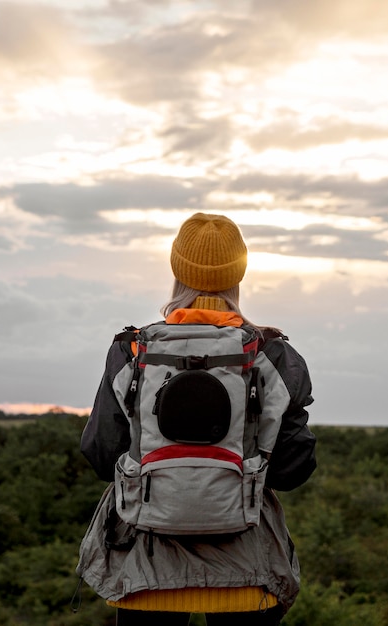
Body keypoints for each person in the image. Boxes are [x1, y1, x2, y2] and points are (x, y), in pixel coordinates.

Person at [77, 212, 317, 625]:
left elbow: (100, 454)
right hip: (247, 574)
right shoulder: (273, 355)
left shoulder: (132, 351)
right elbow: (294, 468)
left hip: (144, 574)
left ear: (177, 269)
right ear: (237, 274)